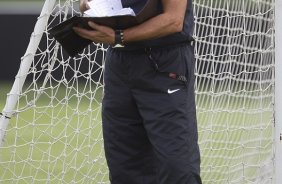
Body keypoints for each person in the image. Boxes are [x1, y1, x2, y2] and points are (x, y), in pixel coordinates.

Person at [74, 0, 201, 183]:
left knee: (177, 168)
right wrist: (89, 3)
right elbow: (84, 4)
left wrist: (119, 36)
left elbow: (173, 20)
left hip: (165, 63)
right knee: (123, 167)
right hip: (119, 63)